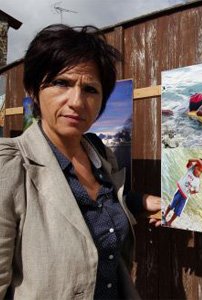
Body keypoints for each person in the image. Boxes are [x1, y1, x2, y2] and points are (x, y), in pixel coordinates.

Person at [0, 24, 161, 299]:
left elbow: (103, 203)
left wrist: (144, 201)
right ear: (33, 90)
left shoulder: (98, 154)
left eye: (90, 89)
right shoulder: (11, 165)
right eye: (61, 83)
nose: (76, 101)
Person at [163, 158, 202, 227]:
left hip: (185, 197)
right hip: (179, 192)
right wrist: (198, 160)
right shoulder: (190, 169)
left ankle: (169, 222)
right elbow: (189, 160)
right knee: (171, 205)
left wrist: (191, 192)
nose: (198, 172)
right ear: (194, 167)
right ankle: (164, 215)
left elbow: (196, 190)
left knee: (177, 212)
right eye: (198, 169)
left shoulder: (198, 181)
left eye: (200, 171)